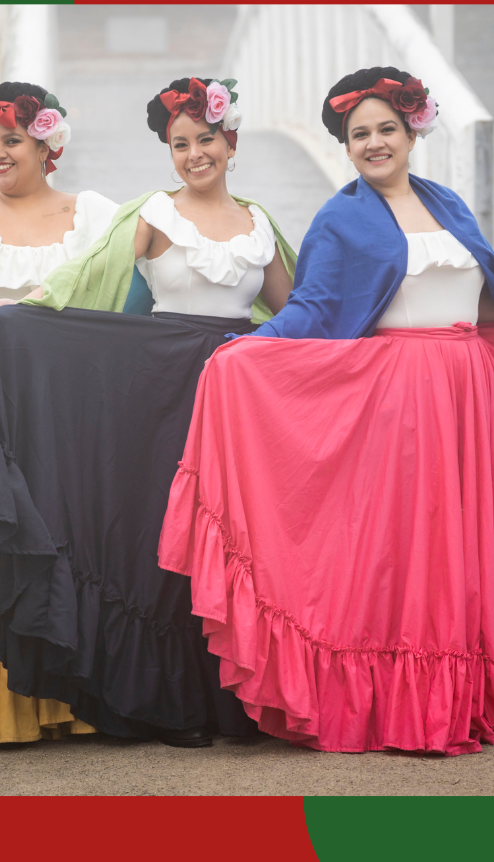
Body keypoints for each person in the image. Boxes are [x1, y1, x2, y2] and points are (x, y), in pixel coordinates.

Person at [158, 66, 494, 754]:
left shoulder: (452, 205)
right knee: (414, 553)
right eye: (358, 134)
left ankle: (463, 698)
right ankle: (407, 705)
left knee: (466, 550)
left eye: (386, 129)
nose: (374, 143)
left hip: (468, 390)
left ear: (412, 133)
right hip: (403, 399)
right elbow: (312, 306)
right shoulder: (343, 217)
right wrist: (246, 352)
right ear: (345, 146)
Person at [0, 78, 295, 747]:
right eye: (180, 144)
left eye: (205, 140)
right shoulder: (152, 212)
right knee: (162, 536)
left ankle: (231, 700)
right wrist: (24, 312)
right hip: (162, 385)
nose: (194, 154)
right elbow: (87, 277)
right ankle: (169, 705)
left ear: (230, 143)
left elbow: (300, 311)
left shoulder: (259, 223)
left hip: (234, 389)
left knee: (232, 534)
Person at [0, 81, 114, 745]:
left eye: (12, 140)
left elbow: (122, 302)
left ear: (49, 144)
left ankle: (71, 699)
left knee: (63, 532)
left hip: (65, 405)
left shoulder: (94, 214)